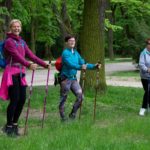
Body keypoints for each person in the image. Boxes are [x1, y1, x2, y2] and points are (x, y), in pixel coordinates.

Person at [0, 19, 50, 136]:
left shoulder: (21, 42)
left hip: (21, 73)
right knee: (15, 100)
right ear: (10, 28)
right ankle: (9, 127)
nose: (17, 28)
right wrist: (28, 64)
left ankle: (15, 125)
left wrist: (44, 64)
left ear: (20, 28)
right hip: (11, 73)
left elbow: (31, 55)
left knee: (22, 100)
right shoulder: (9, 42)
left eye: (18, 26)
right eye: (14, 26)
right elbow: (17, 57)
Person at [59, 35, 101, 121]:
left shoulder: (76, 53)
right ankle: (63, 118)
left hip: (73, 79)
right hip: (65, 79)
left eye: (73, 41)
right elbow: (70, 64)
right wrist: (80, 67)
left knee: (81, 97)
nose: (72, 42)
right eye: (70, 41)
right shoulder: (65, 53)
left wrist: (94, 66)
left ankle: (72, 114)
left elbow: (83, 63)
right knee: (63, 98)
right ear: (66, 42)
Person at [139, 38, 150, 116]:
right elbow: (141, 64)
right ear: (147, 44)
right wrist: (147, 69)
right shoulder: (143, 53)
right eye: (149, 44)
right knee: (148, 91)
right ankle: (143, 109)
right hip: (145, 76)